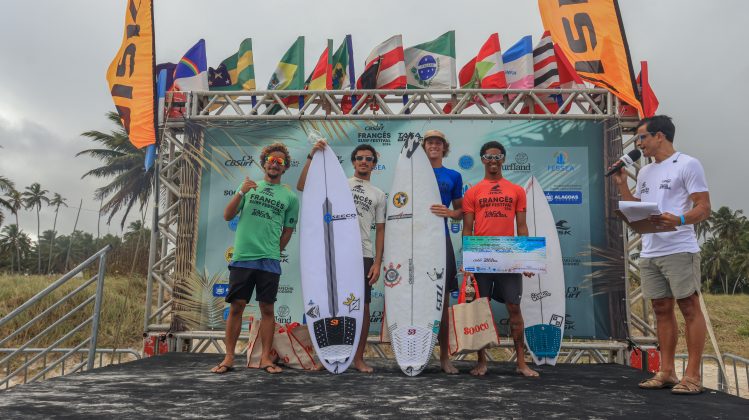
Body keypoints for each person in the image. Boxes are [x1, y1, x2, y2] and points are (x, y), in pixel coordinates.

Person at [612, 115, 711, 395]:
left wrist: (679, 219)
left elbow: (704, 207)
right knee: (660, 310)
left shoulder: (687, 164)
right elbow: (638, 209)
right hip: (650, 250)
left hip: (679, 248)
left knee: (689, 308)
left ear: (660, 136)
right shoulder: (644, 172)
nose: (638, 143)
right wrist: (622, 184)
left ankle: (692, 376)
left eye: (642, 137)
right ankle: (666, 372)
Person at [297, 141, 386, 373]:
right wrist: (312, 155)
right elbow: (303, 186)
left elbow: (381, 230)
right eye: (360, 158)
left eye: (369, 159)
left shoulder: (378, 194)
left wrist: (377, 262)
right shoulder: (338, 185)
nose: (364, 162)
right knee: (323, 303)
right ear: (353, 162)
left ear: (374, 164)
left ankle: (358, 358)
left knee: (362, 307)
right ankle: (323, 356)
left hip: (363, 253)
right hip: (333, 249)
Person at [211, 142, 299, 375]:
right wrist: (241, 191)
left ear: (285, 167)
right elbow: (227, 215)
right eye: (271, 159)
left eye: (280, 162)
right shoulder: (249, 187)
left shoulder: (290, 197)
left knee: (267, 309)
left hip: (269, 260)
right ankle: (229, 357)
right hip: (243, 257)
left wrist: (274, 249)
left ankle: (265, 359)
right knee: (237, 306)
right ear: (264, 163)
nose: (275, 163)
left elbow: (288, 230)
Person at [461, 140, 538, 377]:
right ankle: (482, 362)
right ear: (482, 160)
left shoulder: (516, 190)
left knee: (514, 307)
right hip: (482, 255)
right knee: (480, 309)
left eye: (497, 157)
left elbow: (522, 226)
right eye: (488, 157)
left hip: (508, 255)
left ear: (503, 159)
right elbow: (467, 229)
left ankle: (521, 363)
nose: (493, 161)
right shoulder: (473, 191)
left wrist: (526, 259)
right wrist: (467, 260)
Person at [422, 129, 463, 374]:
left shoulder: (453, 175)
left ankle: (444, 357)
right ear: (424, 146)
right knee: (415, 297)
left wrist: (450, 213)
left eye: (438, 142)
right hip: (415, 242)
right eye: (430, 142)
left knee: (442, 299)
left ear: (443, 148)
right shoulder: (412, 173)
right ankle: (416, 352)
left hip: (442, 240)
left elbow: (460, 209)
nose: (434, 146)